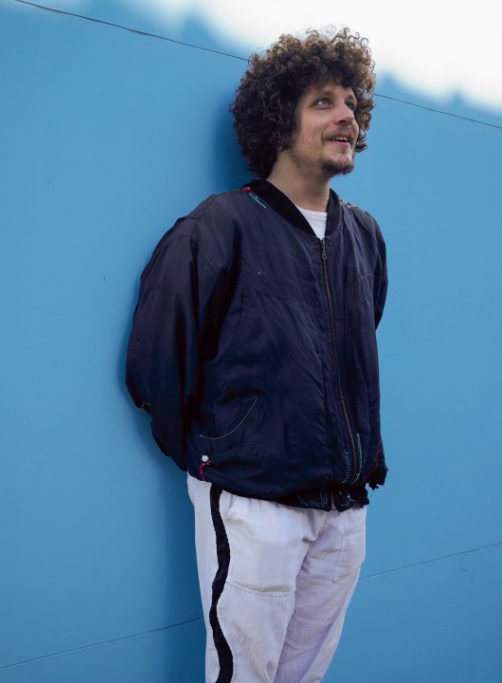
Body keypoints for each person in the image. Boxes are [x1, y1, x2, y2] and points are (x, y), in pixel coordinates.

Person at [125, 27, 388, 683]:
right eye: (323, 102)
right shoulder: (219, 227)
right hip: (254, 504)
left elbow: (356, 340)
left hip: (344, 507)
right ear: (279, 122)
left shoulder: (364, 235)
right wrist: (228, 454)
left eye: (351, 103)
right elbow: (157, 366)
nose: (346, 116)